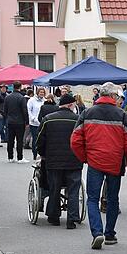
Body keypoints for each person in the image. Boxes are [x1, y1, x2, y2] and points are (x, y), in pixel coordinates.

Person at [71, 82, 127, 249]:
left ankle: (97, 232)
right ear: (113, 96)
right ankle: (109, 234)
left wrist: (85, 157)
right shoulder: (121, 115)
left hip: (95, 162)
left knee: (92, 199)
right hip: (115, 162)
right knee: (113, 199)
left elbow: (75, 140)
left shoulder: (87, 113)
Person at [37, 94, 83, 228]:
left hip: (53, 161)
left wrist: (42, 154)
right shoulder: (78, 120)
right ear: (70, 105)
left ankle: (54, 216)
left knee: (54, 188)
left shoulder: (48, 119)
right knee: (73, 190)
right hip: (74, 160)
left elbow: (40, 140)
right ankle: (72, 218)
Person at [3, 81, 29, 163]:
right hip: (20, 121)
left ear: (13, 87)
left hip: (10, 121)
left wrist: (7, 118)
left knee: (10, 140)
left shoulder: (7, 97)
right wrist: (27, 121)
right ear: (20, 87)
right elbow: (24, 110)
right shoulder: (21, 98)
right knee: (19, 140)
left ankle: (10, 157)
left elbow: (5, 110)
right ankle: (20, 157)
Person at [27, 87, 46, 160]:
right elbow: (29, 110)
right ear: (37, 92)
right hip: (34, 123)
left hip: (42, 123)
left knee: (42, 139)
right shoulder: (32, 100)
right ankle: (35, 154)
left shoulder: (45, 101)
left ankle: (41, 154)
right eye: (40, 92)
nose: (42, 94)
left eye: (43, 92)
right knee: (35, 139)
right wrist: (33, 118)